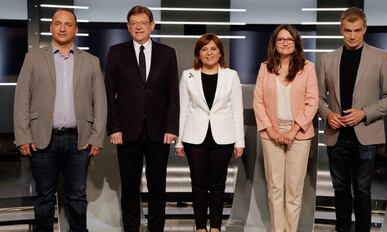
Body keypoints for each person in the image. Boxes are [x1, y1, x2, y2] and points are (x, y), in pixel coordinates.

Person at [13, 9, 107, 232]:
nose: (63, 28)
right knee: (44, 197)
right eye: (58, 23)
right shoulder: (33, 58)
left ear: (76, 29)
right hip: (42, 138)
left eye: (68, 24)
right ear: (51, 27)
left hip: (79, 140)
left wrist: (97, 138)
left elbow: (100, 102)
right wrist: (23, 136)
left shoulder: (91, 61)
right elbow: (21, 98)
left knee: (77, 196)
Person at [317, 7, 387, 232]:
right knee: (340, 189)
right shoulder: (326, 59)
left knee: (363, 191)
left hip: (366, 134)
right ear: (341, 30)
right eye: (347, 30)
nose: (352, 35)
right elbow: (317, 98)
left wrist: (364, 113)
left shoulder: (381, 57)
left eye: (357, 30)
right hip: (336, 135)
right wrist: (327, 114)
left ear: (365, 29)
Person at [104, 5, 179, 232]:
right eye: (133, 23)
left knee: (158, 187)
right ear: (128, 27)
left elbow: (173, 94)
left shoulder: (167, 53)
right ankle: (131, 228)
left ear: (152, 26)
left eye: (143, 23)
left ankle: (156, 228)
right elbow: (109, 93)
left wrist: (171, 127)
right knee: (129, 187)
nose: (138, 27)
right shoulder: (116, 52)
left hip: (159, 131)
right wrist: (114, 128)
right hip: (127, 132)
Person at [175, 33, 244, 232]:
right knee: (197, 185)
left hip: (223, 138)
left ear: (220, 52)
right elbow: (183, 109)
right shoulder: (188, 75)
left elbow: (237, 109)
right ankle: (199, 227)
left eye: (213, 48)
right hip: (193, 138)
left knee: (217, 185)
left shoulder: (231, 75)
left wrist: (239, 141)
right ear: (198, 53)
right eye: (204, 49)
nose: (209, 53)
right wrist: (179, 141)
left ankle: (215, 227)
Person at [252, 24, 318, 232]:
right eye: (281, 39)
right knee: (275, 189)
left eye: (290, 39)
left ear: (296, 43)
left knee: (294, 190)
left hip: (300, 134)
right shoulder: (265, 67)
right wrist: (271, 131)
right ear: (274, 43)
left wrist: (292, 131)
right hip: (271, 133)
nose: (285, 42)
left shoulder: (308, 67)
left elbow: (312, 101)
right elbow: (258, 101)